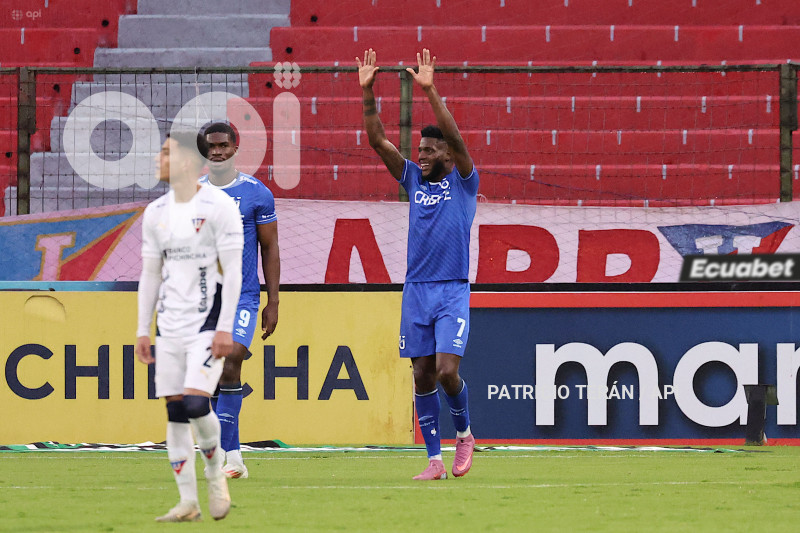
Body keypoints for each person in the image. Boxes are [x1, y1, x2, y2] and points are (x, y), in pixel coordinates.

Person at [357, 48, 478, 480]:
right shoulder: (412, 178)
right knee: (422, 375)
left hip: (452, 289)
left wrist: (430, 91)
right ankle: (434, 460)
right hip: (416, 290)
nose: (421, 155)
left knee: (446, 370)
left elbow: (456, 137)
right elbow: (378, 141)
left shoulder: (464, 181)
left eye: (429, 150)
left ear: (447, 154)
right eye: (419, 150)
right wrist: (367, 92)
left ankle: (464, 433)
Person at [135, 129, 244, 522]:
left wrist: (225, 327)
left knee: (197, 402)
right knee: (176, 412)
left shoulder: (219, 206)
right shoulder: (155, 212)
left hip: (207, 322)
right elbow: (151, 274)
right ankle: (187, 502)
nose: (159, 159)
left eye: (166, 153)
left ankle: (215, 472)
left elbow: (234, 271)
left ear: (187, 162)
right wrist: (143, 329)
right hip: (169, 326)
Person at [199, 121, 280, 479]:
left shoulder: (256, 193)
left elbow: (270, 247)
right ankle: (233, 458)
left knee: (232, 357)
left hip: (243, 296)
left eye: (223, 145)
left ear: (235, 147)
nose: (217, 151)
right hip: (204, 298)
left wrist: (273, 301)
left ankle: (225, 457)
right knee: (215, 374)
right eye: (211, 146)